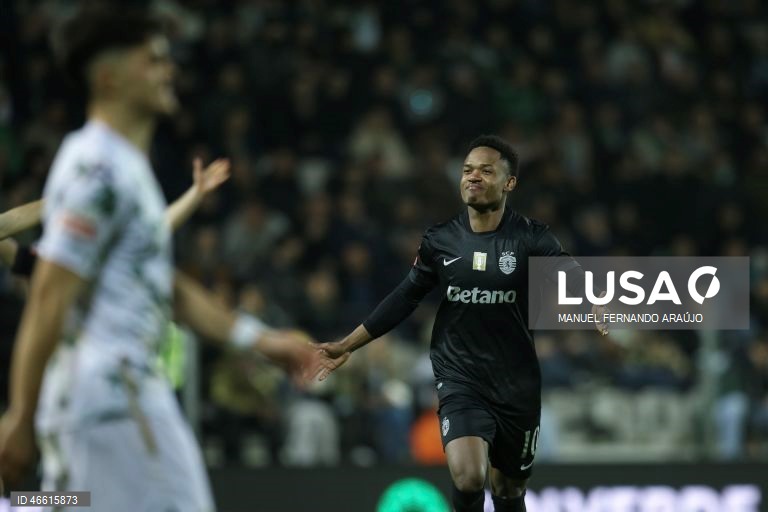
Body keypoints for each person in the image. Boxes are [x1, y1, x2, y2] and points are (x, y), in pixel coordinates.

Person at [0, 7, 341, 511]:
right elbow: (48, 297)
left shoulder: (126, 169)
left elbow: (167, 288)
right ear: (110, 76)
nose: (168, 70)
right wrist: (21, 416)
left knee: (66, 502)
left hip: (110, 402)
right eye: (153, 60)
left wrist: (260, 339)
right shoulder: (97, 168)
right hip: (117, 403)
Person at [319, 135, 607, 512]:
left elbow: (567, 270)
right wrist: (347, 344)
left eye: (486, 171)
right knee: (469, 477)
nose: (473, 177)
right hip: (460, 374)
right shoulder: (441, 240)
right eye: (468, 170)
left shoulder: (530, 236)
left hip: (516, 381)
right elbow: (405, 296)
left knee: (508, 490)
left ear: (509, 183)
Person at [0, 157, 230, 276]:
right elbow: (6, 232)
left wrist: (195, 194)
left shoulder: (112, 259)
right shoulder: (60, 265)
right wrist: (68, 198)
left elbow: (156, 228)